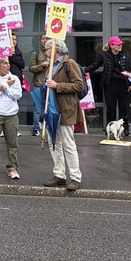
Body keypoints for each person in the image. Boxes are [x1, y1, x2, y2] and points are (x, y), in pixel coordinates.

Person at [43, 39, 85, 192]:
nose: (45, 52)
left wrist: (57, 86)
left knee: (68, 143)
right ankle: (59, 174)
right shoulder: (51, 66)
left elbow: (79, 85)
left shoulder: (69, 63)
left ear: (56, 50)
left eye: (47, 49)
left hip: (66, 109)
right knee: (53, 142)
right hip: (52, 109)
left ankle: (75, 177)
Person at [87, 36, 131, 137]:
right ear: (112, 46)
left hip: (123, 84)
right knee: (110, 108)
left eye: (121, 44)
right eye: (118, 44)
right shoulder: (103, 54)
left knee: (124, 108)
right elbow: (95, 65)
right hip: (110, 84)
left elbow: (129, 69)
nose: (120, 46)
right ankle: (110, 128)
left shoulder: (125, 54)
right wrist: (83, 70)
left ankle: (125, 128)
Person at [28, 35, 51, 136]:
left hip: (51, 84)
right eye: (43, 39)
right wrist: (41, 65)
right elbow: (31, 68)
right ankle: (36, 129)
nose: (45, 40)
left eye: (47, 39)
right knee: (38, 108)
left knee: (50, 107)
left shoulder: (54, 53)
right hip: (39, 83)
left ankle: (49, 128)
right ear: (40, 41)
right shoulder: (36, 53)